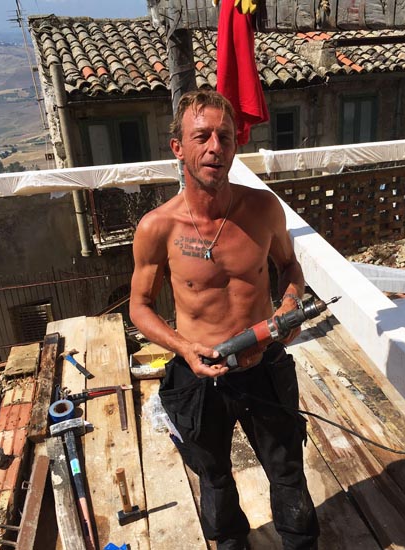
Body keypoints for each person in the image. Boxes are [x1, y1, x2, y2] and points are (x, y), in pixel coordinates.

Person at [129, 90, 317, 550]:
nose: (215, 147)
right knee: (214, 477)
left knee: (288, 469)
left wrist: (290, 302)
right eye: (202, 136)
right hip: (200, 375)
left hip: (263, 364)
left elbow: (290, 268)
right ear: (178, 147)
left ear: (236, 146)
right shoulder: (158, 227)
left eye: (225, 137)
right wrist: (181, 347)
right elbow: (139, 307)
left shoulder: (262, 209)